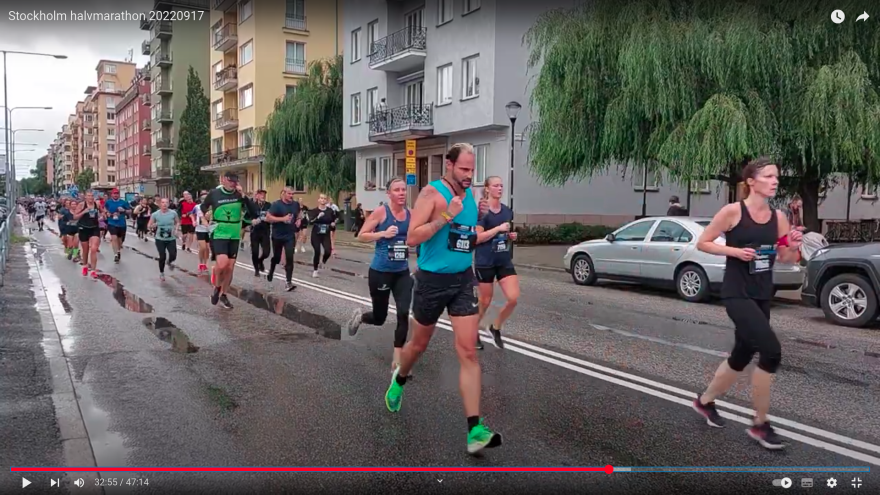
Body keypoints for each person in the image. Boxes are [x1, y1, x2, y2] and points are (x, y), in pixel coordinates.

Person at [382, 143, 499, 455]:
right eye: (463, 169)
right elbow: (412, 237)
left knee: (468, 352)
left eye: (472, 170)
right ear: (449, 165)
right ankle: (400, 378)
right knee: (417, 346)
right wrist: (448, 214)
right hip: (432, 282)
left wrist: (476, 224)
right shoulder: (431, 195)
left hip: (462, 280)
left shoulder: (471, 196)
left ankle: (474, 428)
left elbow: (467, 235)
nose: (469, 175)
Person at [692, 157, 803, 450]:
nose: (775, 181)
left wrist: (793, 245)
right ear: (751, 182)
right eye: (768, 176)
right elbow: (703, 242)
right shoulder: (733, 212)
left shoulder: (779, 217)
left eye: (776, 176)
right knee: (771, 351)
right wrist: (734, 251)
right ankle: (760, 424)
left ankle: (704, 402)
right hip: (736, 292)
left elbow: (786, 258)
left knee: (742, 353)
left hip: (762, 293)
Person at [345, 177, 413, 369]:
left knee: (403, 313)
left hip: (402, 272)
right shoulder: (382, 212)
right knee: (380, 318)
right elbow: (361, 236)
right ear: (389, 194)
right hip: (381, 272)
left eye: (403, 190)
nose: (401, 193)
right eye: (397, 190)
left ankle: (397, 359)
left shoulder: (411, 214)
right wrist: (382, 234)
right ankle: (361, 317)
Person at [200, 172, 259, 309]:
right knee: (222, 265)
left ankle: (223, 294)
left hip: (234, 233)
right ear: (224, 180)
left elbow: (254, 212)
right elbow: (203, 208)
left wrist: (244, 196)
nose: (233, 184)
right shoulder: (214, 193)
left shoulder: (239, 195)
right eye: (231, 181)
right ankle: (217, 287)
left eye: (235, 181)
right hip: (219, 232)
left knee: (230, 268)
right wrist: (205, 217)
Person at [474, 176, 519, 350]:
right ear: (487, 189)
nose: (500, 188)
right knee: (485, 300)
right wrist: (498, 229)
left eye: (501, 185)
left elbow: (505, 234)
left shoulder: (507, 211)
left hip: (503, 259)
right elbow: (477, 238)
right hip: (485, 261)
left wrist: (510, 236)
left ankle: (495, 326)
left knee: (513, 298)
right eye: (496, 185)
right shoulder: (482, 213)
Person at [265, 187, 301, 291]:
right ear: (283, 194)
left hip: (289, 235)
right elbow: (268, 218)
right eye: (289, 194)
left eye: (292, 194)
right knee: (276, 258)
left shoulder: (295, 204)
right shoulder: (276, 204)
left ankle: (288, 282)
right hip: (277, 236)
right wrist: (282, 219)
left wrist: (298, 220)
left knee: (290, 258)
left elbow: (299, 214)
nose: (291, 196)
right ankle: (271, 270)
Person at [73, 191, 103, 278]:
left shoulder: (97, 204)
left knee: (94, 248)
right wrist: (84, 212)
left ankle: (93, 270)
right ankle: (85, 266)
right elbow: (75, 217)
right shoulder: (81, 205)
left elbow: (103, 212)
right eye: (89, 196)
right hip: (83, 228)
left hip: (94, 228)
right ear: (85, 197)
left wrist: (102, 217)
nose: (90, 197)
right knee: (85, 250)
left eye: (92, 196)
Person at [149, 198, 180, 281]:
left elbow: (177, 222)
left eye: (166, 202)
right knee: (162, 256)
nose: (164, 204)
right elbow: (149, 225)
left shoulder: (173, 213)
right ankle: (162, 273)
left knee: (173, 255)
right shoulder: (155, 214)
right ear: (160, 204)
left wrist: (176, 229)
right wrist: (153, 225)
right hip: (160, 238)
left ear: (169, 204)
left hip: (171, 238)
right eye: (163, 202)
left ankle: (169, 262)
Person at [307, 194, 337, 278]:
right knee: (317, 251)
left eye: (324, 199)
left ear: (326, 201)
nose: (323, 200)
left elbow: (334, 220)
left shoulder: (330, 211)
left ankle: (323, 261)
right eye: (321, 198)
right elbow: (310, 222)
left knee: (328, 251)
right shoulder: (314, 211)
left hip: (325, 233)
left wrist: (333, 224)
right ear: (318, 200)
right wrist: (317, 217)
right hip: (316, 233)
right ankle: (315, 270)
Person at [104, 188, 131, 264]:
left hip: (121, 223)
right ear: (111, 194)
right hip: (111, 222)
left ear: (118, 194)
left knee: (120, 241)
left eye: (117, 193)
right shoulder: (108, 202)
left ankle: (118, 251)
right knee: (114, 238)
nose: (115, 195)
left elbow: (130, 211)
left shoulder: (123, 202)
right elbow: (104, 209)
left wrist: (124, 210)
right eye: (114, 193)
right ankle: (115, 254)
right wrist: (107, 213)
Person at [249, 190, 272, 277]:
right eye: (261, 195)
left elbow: (273, 215)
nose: (263, 196)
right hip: (255, 232)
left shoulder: (269, 205)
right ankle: (256, 269)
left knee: (267, 252)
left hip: (265, 231)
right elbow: (246, 217)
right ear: (257, 196)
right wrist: (251, 221)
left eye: (264, 195)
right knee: (255, 252)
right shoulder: (252, 206)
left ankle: (260, 260)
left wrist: (269, 219)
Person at [193, 191, 212, 275]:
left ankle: (205, 264)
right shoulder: (197, 207)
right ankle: (201, 263)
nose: (204, 200)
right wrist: (193, 221)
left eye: (206, 198)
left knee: (208, 248)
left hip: (209, 230)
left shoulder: (211, 207)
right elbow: (191, 214)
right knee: (203, 247)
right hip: (200, 229)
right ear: (200, 199)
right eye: (203, 198)